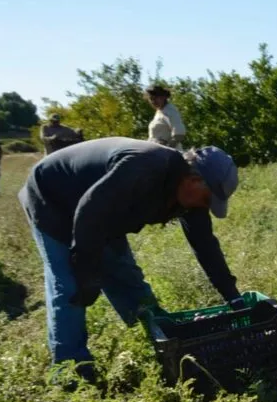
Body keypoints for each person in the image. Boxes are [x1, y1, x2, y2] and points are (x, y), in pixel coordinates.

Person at [17, 137, 244, 383]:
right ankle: (69, 371)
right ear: (194, 180)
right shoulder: (144, 167)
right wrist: (87, 272)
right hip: (53, 197)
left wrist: (233, 297)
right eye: (207, 199)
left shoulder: (189, 196)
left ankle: (162, 340)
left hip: (100, 212)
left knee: (125, 276)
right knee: (71, 287)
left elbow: (205, 245)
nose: (204, 207)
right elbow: (90, 211)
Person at [145, 83, 187, 148]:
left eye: (155, 98)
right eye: (151, 99)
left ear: (163, 97)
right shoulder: (159, 112)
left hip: (167, 153)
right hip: (156, 150)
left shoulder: (170, 111)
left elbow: (179, 134)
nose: (153, 101)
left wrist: (167, 149)